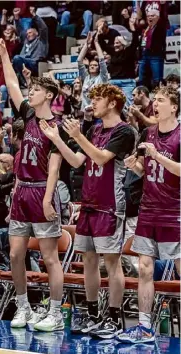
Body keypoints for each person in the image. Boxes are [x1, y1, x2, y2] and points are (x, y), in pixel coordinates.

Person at [40, 83, 136, 339]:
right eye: (92, 99)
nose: (92, 103)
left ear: (113, 103)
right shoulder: (94, 129)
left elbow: (102, 157)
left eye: (98, 99)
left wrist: (79, 136)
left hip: (110, 205)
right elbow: (76, 161)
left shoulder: (124, 131)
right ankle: (93, 313)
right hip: (89, 203)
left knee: (112, 263)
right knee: (89, 261)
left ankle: (114, 318)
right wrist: (57, 139)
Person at [0, 34, 66, 332]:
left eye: (35, 90)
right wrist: (5, 55)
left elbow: (55, 168)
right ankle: (23, 306)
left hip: (41, 192)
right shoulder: (29, 115)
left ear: (49, 95)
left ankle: (56, 312)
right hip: (21, 190)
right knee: (14, 254)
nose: (30, 93)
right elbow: (11, 86)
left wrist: (48, 199)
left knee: (49, 257)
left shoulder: (59, 126)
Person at [119, 87, 180, 344]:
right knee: (144, 269)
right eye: (154, 100)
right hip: (148, 209)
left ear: (174, 107)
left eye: (161, 100)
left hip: (174, 212)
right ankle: (144, 327)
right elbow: (147, 170)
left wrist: (156, 155)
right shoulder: (148, 133)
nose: (155, 104)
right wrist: (136, 166)